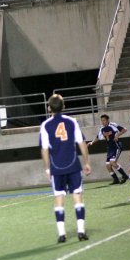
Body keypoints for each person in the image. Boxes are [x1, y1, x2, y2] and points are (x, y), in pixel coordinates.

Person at [39, 94, 91, 243]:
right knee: (78, 196)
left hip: (57, 168)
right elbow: (82, 143)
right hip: (73, 165)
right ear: (64, 106)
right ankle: (81, 232)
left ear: (49, 108)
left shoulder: (45, 125)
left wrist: (47, 169)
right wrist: (87, 162)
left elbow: (44, 150)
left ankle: (62, 234)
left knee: (59, 198)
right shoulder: (72, 122)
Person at [87, 114, 128, 184]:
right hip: (110, 148)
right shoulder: (102, 128)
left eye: (104, 120)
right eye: (101, 120)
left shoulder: (112, 125)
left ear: (107, 120)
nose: (102, 122)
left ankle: (125, 176)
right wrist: (92, 142)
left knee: (113, 163)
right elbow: (98, 137)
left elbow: (124, 129)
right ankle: (116, 180)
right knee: (108, 165)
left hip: (116, 146)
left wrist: (117, 135)